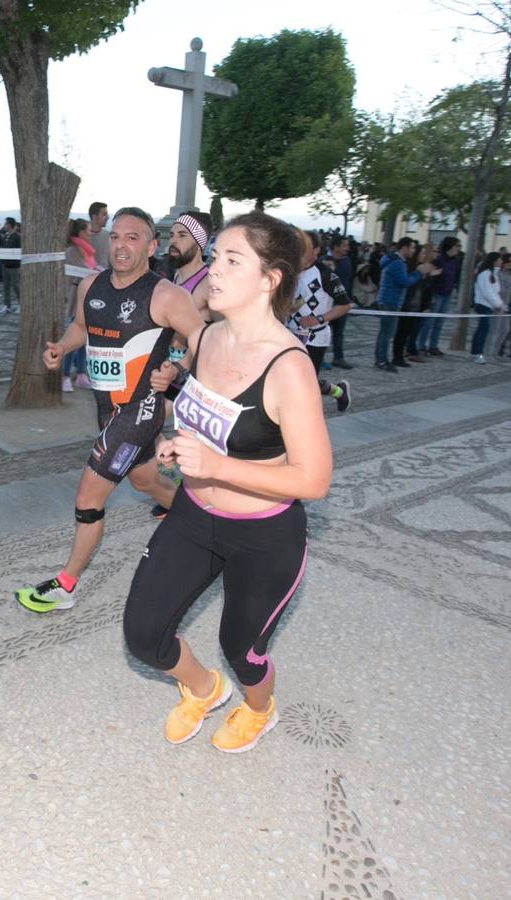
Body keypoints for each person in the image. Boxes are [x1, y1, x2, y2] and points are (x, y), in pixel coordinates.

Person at [122, 210, 332, 753]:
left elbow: (313, 479)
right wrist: (176, 438)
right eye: (215, 257)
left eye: (232, 260)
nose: (214, 270)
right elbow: (207, 415)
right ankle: (202, 689)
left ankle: (259, 709)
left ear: (270, 279)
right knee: (143, 635)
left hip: (263, 534)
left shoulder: (289, 366)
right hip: (194, 516)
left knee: (241, 647)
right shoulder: (208, 337)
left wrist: (215, 466)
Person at [15, 207, 205, 613]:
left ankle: (65, 585)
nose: (121, 245)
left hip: (139, 413)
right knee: (148, 484)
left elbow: (205, 340)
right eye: (116, 236)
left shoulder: (166, 295)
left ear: (152, 246)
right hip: (106, 409)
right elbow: (81, 328)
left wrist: (175, 369)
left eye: (133, 238)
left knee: (88, 496)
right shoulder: (91, 286)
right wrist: (62, 348)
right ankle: (211, 527)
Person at [290, 230, 352, 410]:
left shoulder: (325, 274)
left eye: (305, 247)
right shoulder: (289, 270)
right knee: (291, 378)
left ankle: (339, 393)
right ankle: (338, 391)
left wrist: (318, 318)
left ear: (316, 250)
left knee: (306, 383)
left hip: (314, 337)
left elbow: (345, 305)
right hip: (289, 333)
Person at [374, 238, 429, 372]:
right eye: (412, 248)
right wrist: (418, 273)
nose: (413, 251)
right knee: (386, 333)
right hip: (390, 302)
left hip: (389, 300)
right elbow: (404, 282)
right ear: (404, 248)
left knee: (385, 333)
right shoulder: (398, 263)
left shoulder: (394, 261)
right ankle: (381, 360)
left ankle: (381, 359)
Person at [61, 218, 97, 392]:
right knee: (73, 337)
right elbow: (81, 270)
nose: (91, 233)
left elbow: (93, 268)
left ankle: (81, 374)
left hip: (88, 297)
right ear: (81, 232)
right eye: (88, 230)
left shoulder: (87, 251)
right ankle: (65, 375)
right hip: (77, 298)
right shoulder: (72, 251)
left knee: (85, 339)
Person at [167, 212, 213, 321]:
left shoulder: (209, 283)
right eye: (171, 235)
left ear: (199, 243)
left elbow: (229, 330)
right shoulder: (177, 274)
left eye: (182, 235)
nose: (173, 241)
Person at [420, 236, 460, 357]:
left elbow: (455, 276)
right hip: (437, 293)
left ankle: (433, 346)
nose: (458, 248)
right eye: (457, 246)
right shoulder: (439, 260)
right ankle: (421, 345)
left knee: (440, 322)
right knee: (429, 321)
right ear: (450, 247)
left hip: (447, 293)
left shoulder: (455, 261)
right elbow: (429, 273)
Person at [470, 252, 503, 364]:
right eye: (499, 259)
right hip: (482, 305)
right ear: (494, 261)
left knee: (482, 328)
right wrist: (498, 305)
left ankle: (475, 352)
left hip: (489, 305)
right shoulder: (485, 274)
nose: (501, 262)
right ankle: (478, 353)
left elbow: (495, 292)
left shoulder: (494, 274)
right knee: (484, 328)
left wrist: (500, 304)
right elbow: (487, 292)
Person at [328, 237, 356, 368]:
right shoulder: (323, 260)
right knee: (320, 331)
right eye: (344, 245)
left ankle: (338, 358)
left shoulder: (347, 262)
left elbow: (347, 282)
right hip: (326, 304)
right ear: (335, 247)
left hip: (341, 304)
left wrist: (348, 300)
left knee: (339, 332)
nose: (347, 248)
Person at [0, 217, 22, 314]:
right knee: (6, 286)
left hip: (14, 265)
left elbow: (20, 250)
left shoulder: (17, 237)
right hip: (5, 264)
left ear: (10, 225)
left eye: (6, 223)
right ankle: (7, 305)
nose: (4, 225)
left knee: (15, 285)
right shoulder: (5, 236)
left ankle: (21, 304)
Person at [86, 201, 111, 274]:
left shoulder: (109, 236)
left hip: (103, 280)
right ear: (95, 216)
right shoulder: (80, 236)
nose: (108, 217)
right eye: (104, 214)